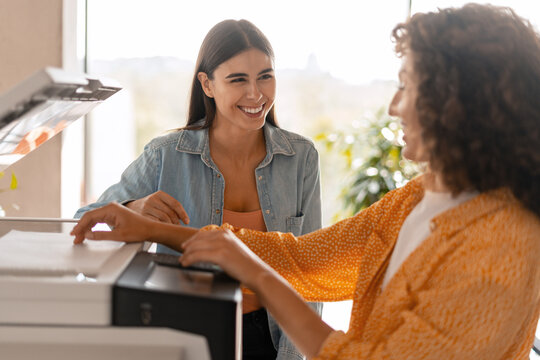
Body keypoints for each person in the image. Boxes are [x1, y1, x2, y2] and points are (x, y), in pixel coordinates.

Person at [72, 4, 540, 359]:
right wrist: (153, 227)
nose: (394, 106)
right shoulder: (419, 198)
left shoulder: (501, 245)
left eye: (408, 85)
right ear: (207, 85)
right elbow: (306, 259)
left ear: (462, 107)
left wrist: (254, 273)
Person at [74, 19, 323, 360]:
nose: (256, 94)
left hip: (272, 338)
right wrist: (133, 206)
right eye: (238, 80)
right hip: (184, 329)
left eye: (265, 76)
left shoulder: (301, 158)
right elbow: (82, 222)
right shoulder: (165, 154)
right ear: (207, 84)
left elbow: (311, 270)